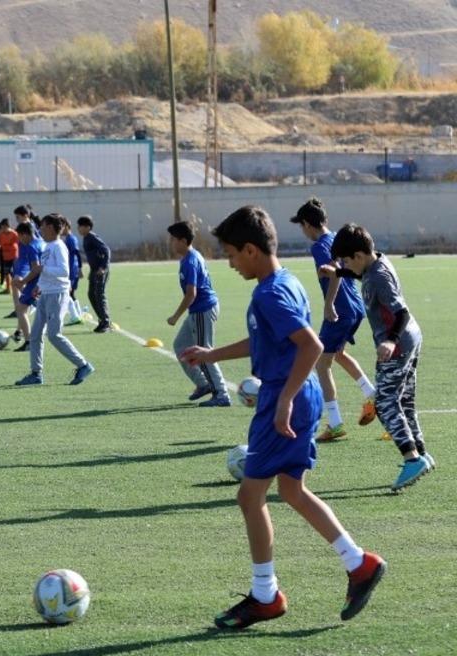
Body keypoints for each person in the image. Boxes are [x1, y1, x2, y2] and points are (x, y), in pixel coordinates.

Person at [180, 205, 385, 630]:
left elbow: (311, 346)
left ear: (251, 250)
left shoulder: (269, 294)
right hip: (297, 392)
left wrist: (285, 400)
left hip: (284, 395)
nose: (231, 264)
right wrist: (211, 355)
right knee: (291, 490)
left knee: (249, 497)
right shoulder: (285, 281)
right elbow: (266, 340)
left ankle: (265, 595)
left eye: (231, 254)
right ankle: (358, 563)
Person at [327, 224, 434, 492]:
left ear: (359, 256)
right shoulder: (376, 263)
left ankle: (412, 459)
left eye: (346, 261)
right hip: (411, 339)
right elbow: (362, 274)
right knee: (404, 402)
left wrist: (390, 340)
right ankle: (422, 454)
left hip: (397, 344)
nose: (346, 266)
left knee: (385, 404)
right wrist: (339, 272)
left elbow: (402, 313)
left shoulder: (378, 278)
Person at [290, 198, 377, 441]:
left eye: (302, 226)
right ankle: (372, 394)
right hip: (355, 307)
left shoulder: (319, 247)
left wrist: (329, 304)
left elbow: (334, 274)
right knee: (337, 354)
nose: (303, 231)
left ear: (307, 224)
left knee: (321, 364)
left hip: (340, 310)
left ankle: (335, 423)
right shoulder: (337, 237)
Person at [14, 214, 94, 387]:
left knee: (54, 335)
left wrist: (43, 269)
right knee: (35, 335)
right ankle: (36, 374)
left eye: (42, 226)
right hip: (45, 294)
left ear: (50, 227)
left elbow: (64, 272)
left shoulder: (59, 246)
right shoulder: (48, 246)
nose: (40, 229)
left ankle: (83, 365)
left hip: (57, 295)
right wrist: (39, 286)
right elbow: (45, 272)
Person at [166, 221, 230, 407]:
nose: (171, 243)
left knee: (204, 351)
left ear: (183, 241)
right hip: (197, 311)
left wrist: (176, 316)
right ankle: (203, 384)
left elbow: (191, 294)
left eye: (173, 239)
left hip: (203, 310)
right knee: (181, 345)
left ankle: (222, 394)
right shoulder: (188, 258)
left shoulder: (191, 261)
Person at [11, 221, 43, 351]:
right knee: (26, 307)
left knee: (20, 309)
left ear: (25, 234)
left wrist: (23, 281)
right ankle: (27, 337)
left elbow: (36, 268)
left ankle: (29, 342)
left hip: (35, 282)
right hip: (43, 281)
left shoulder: (31, 247)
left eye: (19, 236)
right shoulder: (41, 242)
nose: (19, 239)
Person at [78, 215, 112, 333]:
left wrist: (103, 267)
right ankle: (102, 320)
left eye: (81, 226)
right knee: (91, 294)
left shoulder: (92, 237)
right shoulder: (86, 238)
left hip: (100, 271)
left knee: (99, 294)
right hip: (94, 270)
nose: (78, 229)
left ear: (88, 227)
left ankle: (106, 322)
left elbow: (106, 250)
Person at [61, 217, 85, 326]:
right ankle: (78, 314)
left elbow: (77, 254)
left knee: (68, 293)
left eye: (62, 226)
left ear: (66, 226)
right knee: (70, 293)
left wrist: (80, 268)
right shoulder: (67, 239)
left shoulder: (71, 239)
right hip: (71, 269)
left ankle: (75, 316)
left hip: (72, 270)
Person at [0, 219, 19, 296]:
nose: (2, 229)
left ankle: (18, 288)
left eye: (3, 227)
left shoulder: (14, 234)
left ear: (7, 226)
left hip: (14, 256)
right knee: (6, 273)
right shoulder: (1, 234)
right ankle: (8, 289)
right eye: (2, 227)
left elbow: (19, 244)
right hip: (5, 256)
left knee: (14, 273)